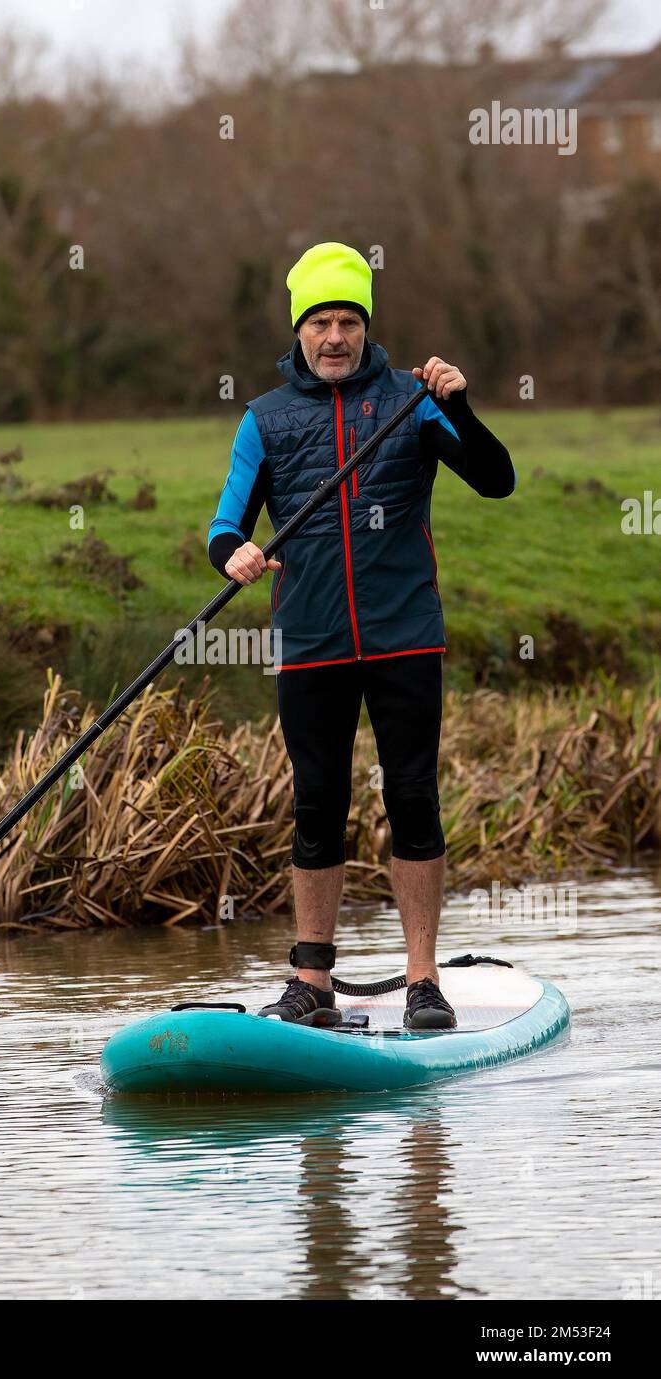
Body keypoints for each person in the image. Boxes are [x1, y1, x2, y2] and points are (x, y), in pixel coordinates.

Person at [207, 242, 516, 1029]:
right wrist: (234, 554)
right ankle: (311, 983)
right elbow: (224, 527)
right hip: (311, 642)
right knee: (319, 803)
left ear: (366, 326)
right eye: (321, 322)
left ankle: (422, 981)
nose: (336, 336)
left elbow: (495, 478)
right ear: (300, 331)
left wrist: (463, 404)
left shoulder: (415, 399)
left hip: (404, 634)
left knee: (413, 796)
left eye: (349, 320)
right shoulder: (265, 420)